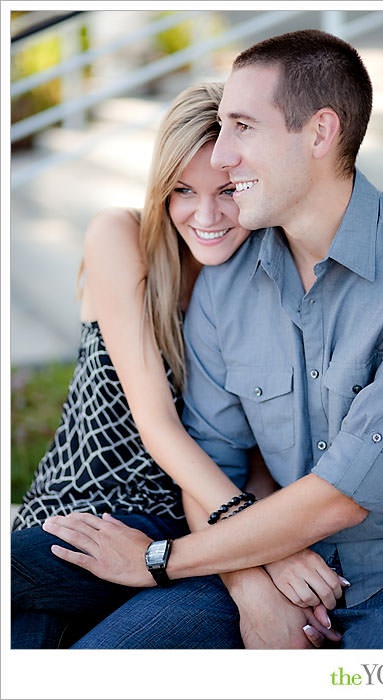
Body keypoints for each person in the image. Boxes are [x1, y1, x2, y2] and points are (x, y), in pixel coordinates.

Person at [43, 29, 383, 650]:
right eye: (221, 131)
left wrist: (159, 561)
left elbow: (340, 495)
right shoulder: (225, 284)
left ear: (318, 133)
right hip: (209, 543)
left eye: (241, 128)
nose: (223, 156)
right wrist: (252, 586)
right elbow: (210, 452)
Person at [12, 81, 341, 649]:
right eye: (184, 189)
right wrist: (267, 545)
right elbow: (156, 422)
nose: (206, 214)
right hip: (72, 516)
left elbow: (263, 459)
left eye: (229, 190)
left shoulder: (275, 286)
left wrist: (254, 554)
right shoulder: (121, 237)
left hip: (181, 538)